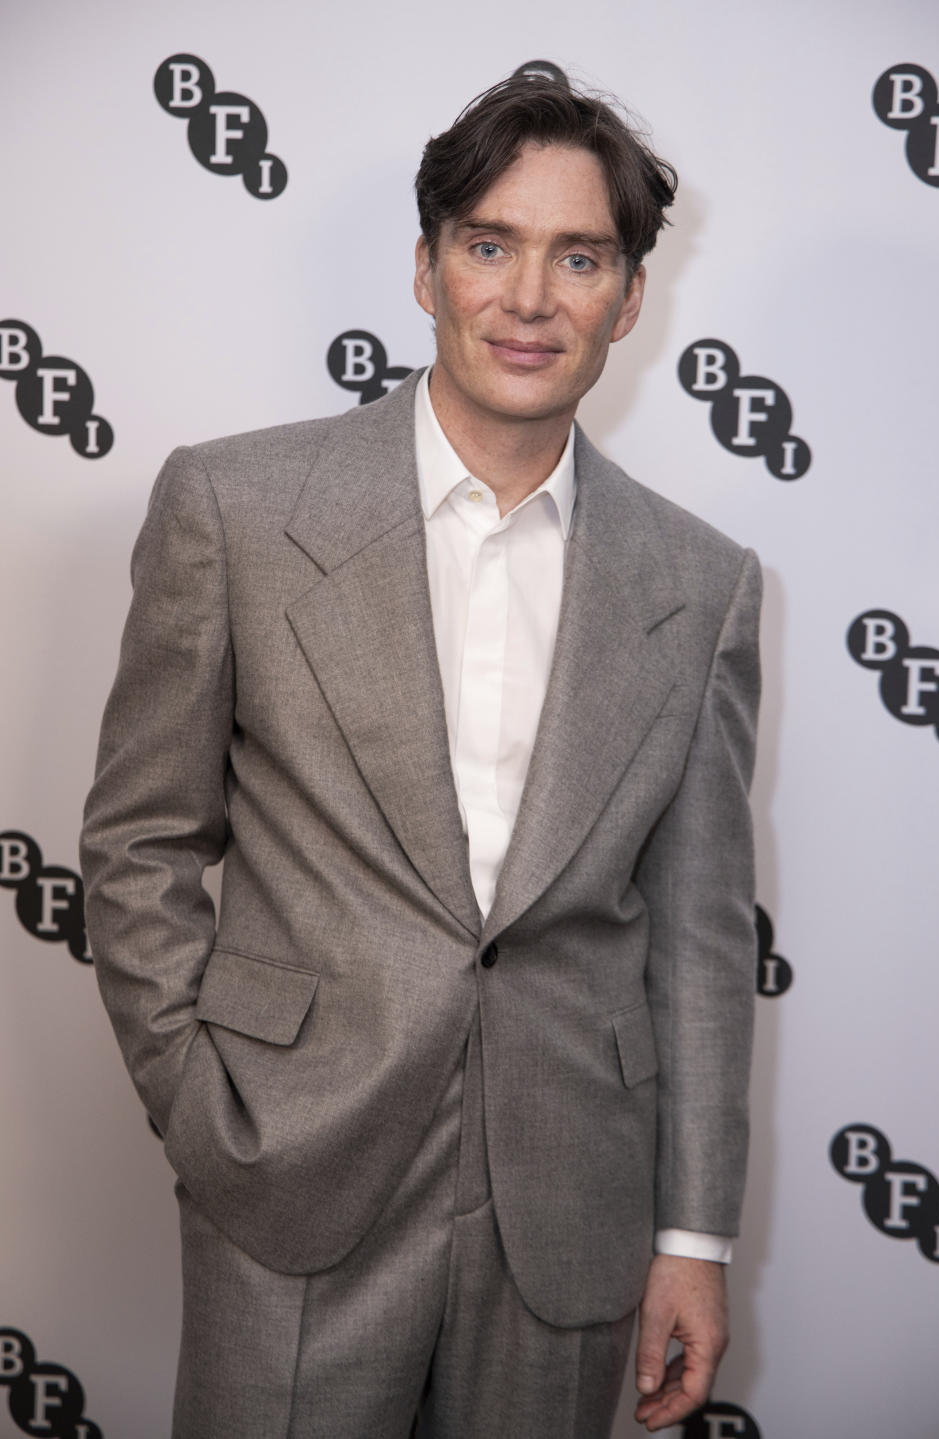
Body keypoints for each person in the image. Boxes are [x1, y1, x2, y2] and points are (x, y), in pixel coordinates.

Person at [81, 69, 761, 1439]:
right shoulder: (237, 507)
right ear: (426, 269)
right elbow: (141, 838)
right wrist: (207, 1111)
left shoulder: (705, 582)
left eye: (580, 257)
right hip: (294, 1179)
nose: (529, 298)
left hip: (570, 1218)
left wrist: (693, 1234)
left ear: (630, 299)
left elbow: (698, 934)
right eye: (490, 245)